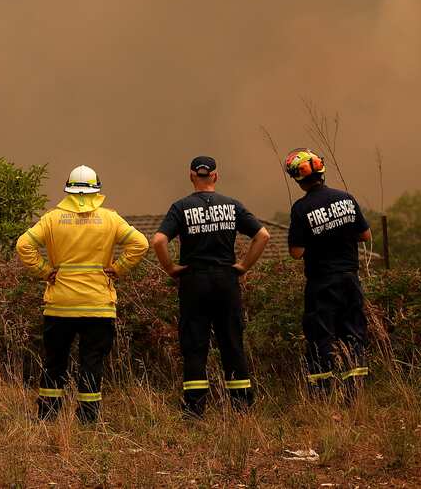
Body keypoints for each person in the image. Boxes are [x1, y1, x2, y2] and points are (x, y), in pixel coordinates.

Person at [16, 165, 148, 423]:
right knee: (92, 363)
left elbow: (24, 245)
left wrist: (44, 271)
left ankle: (48, 416)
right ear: (96, 190)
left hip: (60, 305)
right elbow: (140, 243)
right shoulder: (110, 218)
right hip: (98, 305)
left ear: (68, 189)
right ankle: (87, 419)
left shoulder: (53, 218)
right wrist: (118, 269)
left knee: (55, 362)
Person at [152, 156, 269, 415]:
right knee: (231, 341)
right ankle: (241, 406)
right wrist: (244, 266)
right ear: (215, 176)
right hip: (226, 280)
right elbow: (263, 235)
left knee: (195, 344)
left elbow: (159, 241)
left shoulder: (181, 207)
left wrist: (171, 268)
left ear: (191, 176)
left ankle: (195, 408)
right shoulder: (233, 206)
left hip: (194, 281)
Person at [285, 149, 371, 397]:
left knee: (320, 334)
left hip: (321, 282)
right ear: (322, 171)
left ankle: (321, 392)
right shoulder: (346, 198)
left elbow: (296, 252)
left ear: (298, 180)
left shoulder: (301, 208)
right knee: (353, 331)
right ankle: (354, 392)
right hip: (350, 279)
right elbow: (365, 235)